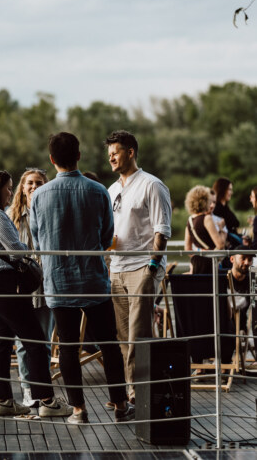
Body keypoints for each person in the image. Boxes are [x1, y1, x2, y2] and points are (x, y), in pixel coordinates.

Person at [30, 132, 133, 425]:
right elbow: (105, 237)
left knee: (68, 347)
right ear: (79, 155)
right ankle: (121, 405)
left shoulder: (39, 195)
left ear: (51, 159)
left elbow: (38, 241)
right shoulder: (99, 190)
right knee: (109, 345)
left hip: (59, 284)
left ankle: (78, 410)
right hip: (94, 281)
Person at [0, 169, 72, 419]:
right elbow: (17, 251)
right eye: (8, 188)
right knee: (36, 341)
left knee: (1, 341)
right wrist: (26, 250)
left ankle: (2, 401)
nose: (11, 192)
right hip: (3, 283)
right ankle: (48, 402)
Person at [105, 130, 172, 404]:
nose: (111, 157)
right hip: (116, 269)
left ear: (130, 152)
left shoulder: (152, 185)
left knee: (138, 334)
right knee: (122, 337)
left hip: (142, 267)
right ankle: (131, 391)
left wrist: (152, 267)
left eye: (115, 152)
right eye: (109, 153)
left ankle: (137, 393)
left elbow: (162, 230)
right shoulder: (111, 190)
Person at [7, 168, 54, 407]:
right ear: (22, 188)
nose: (34, 187)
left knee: (44, 342)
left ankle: (43, 390)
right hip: (21, 286)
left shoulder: (52, 213)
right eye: (30, 183)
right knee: (23, 343)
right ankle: (27, 389)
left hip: (46, 286)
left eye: (39, 183)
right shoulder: (11, 215)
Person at [184, 185, 227, 273]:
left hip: (196, 262)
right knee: (211, 286)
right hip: (209, 262)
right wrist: (221, 229)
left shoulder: (189, 220)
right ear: (205, 201)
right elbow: (220, 245)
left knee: (199, 285)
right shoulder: (207, 218)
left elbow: (187, 249)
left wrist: (199, 256)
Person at [229, 245, 254, 333]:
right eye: (243, 258)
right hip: (226, 326)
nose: (247, 262)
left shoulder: (252, 281)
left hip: (245, 324)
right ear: (232, 259)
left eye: (250, 259)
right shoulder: (222, 280)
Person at [212, 177, 242, 245]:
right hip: (227, 244)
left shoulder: (225, 207)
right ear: (222, 190)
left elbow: (236, 223)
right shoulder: (216, 209)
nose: (232, 192)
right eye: (229, 189)